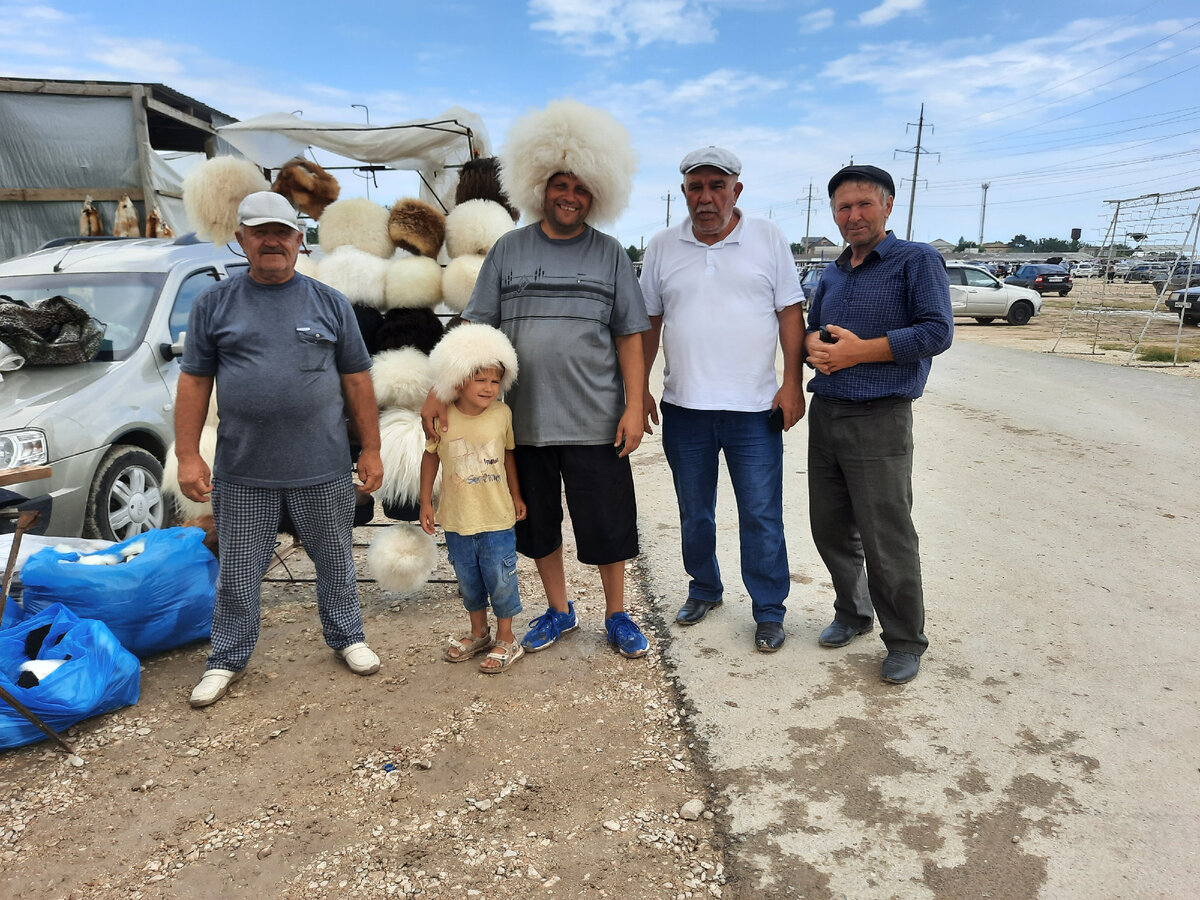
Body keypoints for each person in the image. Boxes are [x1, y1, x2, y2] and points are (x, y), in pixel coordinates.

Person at [422, 100, 651, 659]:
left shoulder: (612, 255)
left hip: (597, 420)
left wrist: (635, 404)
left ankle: (617, 614)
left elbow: (630, 336)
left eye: (579, 187)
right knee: (538, 526)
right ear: (537, 186)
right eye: (558, 184)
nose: (568, 196)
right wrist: (438, 385)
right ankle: (559, 609)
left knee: (607, 526)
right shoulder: (509, 250)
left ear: (597, 190)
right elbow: (474, 325)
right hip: (522, 423)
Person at [176, 190, 384, 708]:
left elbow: (358, 381)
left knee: (335, 560)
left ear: (299, 238)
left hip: (323, 467)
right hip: (243, 470)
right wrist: (187, 455)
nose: (272, 241)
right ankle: (225, 659)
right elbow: (195, 383)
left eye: (282, 231)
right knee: (238, 573)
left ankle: (348, 637)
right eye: (260, 231)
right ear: (242, 239)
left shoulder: (329, 302)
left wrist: (372, 448)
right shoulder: (214, 304)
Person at [640, 147, 805, 652]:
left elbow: (790, 312)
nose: (706, 197)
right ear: (684, 192)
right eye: (696, 187)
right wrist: (639, 388)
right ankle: (705, 588)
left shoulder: (767, 238)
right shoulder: (663, 246)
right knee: (695, 510)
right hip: (685, 407)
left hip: (755, 410)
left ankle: (769, 608)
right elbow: (650, 320)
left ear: (737, 189)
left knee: (760, 512)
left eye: (717, 186)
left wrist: (792, 382)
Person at [804, 165, 954, 684]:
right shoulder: (834, 270)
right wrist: (811, 347)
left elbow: (936, 332)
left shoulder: (916, 260)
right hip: (827, 415)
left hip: (879, 417)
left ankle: (906, 639)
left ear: (888, 205)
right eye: (843, 207)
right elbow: (814, 328)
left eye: (864, 204)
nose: (853, 215)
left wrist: (857, 354)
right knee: (829, 528)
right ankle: (852, 612)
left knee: (886, 535)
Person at [419, 323, 527, 673]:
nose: (489, 387)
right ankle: (479, 632)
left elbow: (509, 454)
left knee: (501, 576)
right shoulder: (443, 415)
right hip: (457, 518)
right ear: (458, 379)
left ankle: (507, 638)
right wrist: (424, 502)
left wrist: (517, 495)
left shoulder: (503, 414)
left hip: (497, 517)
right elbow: (430, 456)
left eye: (495, 381)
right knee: (468, 579)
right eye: (480, 379)